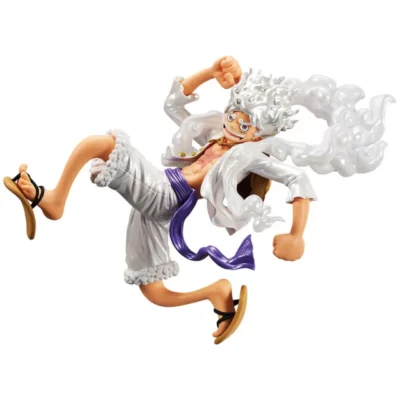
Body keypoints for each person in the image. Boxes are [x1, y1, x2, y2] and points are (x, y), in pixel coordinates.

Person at [4, 56, 394, 344]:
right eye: (234, 114)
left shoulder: (252, 154)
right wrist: (210, 73)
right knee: (153, 290)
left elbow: (297, 178)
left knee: (102, 144)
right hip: (162, 203)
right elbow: (173, 105)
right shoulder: (213, 133)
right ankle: (216, 293)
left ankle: (53, 200)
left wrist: (298, 234)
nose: (234, 124)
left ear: (259, 132)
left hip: (165, 192)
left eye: (245, 124)